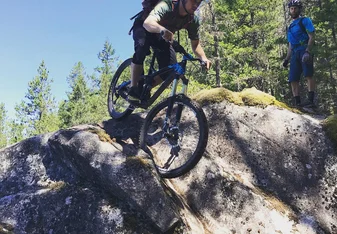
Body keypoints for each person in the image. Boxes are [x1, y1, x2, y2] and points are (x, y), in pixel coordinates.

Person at [128, 0, 211, 104]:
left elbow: (195, 45)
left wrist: (203, 57)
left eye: (198, 2)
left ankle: (146, 87)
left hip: (162, 35)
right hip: (144, 27)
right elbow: (148, 23)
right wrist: (162, 30)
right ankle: (133, 88)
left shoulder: (192, 20)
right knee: (142, 47)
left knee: (170, 70)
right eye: (193, 1)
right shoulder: (167, 5)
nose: (196, 5)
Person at [283, 0, 316, 108]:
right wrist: (286, 59)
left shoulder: (305, 20)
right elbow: (290, 45)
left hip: (304, 49)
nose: (293, 10)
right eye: (291, 8)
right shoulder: (290, 26)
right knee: (293, 78)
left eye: (295, 8)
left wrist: (308, 51)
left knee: (308, 74)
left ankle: (310, 101)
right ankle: (298, 103)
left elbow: (311, 36)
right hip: (295, 53)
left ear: (299, 9)